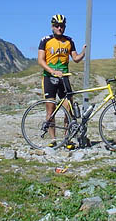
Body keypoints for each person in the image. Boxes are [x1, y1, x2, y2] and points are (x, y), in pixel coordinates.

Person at [37, 14, 87, 147]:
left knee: (68, 109)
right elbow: (40, 60)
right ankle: (53, 140)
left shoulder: (69, 41)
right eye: (57, 26)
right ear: (52, 26)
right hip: (49, 78)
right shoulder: (45, 40)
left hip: (64, 79)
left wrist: (83, 53)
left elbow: (75, 59)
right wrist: (52, 71)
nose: (60, 28)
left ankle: (67, 139)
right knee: (50, 110)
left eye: (62, 26)